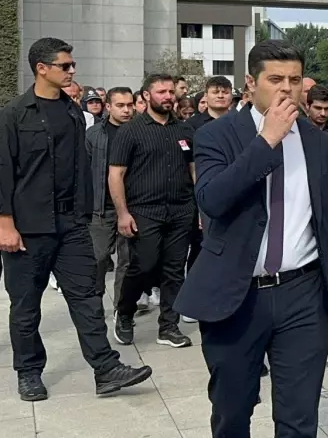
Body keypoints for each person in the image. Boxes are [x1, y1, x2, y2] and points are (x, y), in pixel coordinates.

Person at [175, 40, 328, 438]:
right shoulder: (217, 135)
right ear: (251, 83)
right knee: (233, 411)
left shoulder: (321, 143)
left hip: (303, 293)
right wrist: (267, 140)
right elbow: (212, 201)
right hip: (238, 296)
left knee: (300, 416)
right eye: (275, 79)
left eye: (294, 80)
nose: (286, 89)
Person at [0, 38, 152, 401]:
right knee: (25, 305)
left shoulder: (72, 112)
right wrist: (5, 223)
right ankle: (29, 371)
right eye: (65, 66)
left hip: (71, 224)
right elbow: (4, 169)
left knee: (86, 297)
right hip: (28, 226)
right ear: (42, 68)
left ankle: (106, 368)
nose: (72, 70)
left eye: (71, 65)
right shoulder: (14, 113)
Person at [109, 74, 199, 348]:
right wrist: (122, 213)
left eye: (171, 91)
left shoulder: (185, 131)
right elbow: (116, 175)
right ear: (147, 96)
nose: (168, 96)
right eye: (161, 91)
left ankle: (168, 327)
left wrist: (201, 208)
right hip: (144, 211)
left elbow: (193, 170)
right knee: (144, 266)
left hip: (181, 210)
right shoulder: (130, 130)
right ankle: (124, 312)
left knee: (174, 270)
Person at [86, 87, 136, 301]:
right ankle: (93, 301)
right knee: (97, 258)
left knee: (127, 261)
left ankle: (121, 309)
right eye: (120, 105)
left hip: (132, 206)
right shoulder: (94, 134)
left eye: (130, 105)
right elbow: (84, 170)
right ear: (108, 107)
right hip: (100, 208)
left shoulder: (138, 131)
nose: (126, 110)